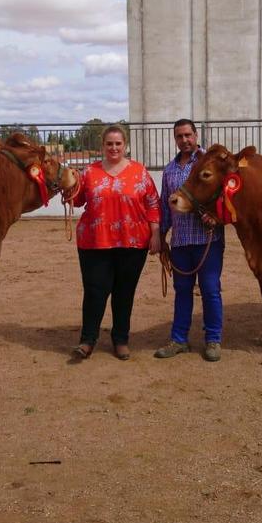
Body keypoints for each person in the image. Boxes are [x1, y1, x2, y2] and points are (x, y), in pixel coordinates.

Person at [69, 125, 161, 360]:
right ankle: (87, 340)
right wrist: (68, 183)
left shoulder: (139, 172)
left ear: (125, 145)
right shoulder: (89, 172)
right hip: (94, 242)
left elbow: (152, 204)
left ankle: (121, 339)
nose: (113, 148)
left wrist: (156, 234)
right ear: (102, 146)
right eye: (109, 143)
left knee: (124, 292)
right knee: (94, 292)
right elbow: (77, 200)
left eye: (118, 143)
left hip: (132, 242)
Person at [155, 119, 226, 362]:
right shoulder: (169, 171)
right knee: (182, 291)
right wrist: (161, 236)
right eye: (179, 136)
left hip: (208, 240)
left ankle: (213, 340)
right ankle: (179, 339)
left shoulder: (211, 163)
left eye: (188, 135)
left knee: (210, 290)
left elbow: (225, 199)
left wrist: (217, 217)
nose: (184, 140)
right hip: (181, 242)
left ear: (196, 135)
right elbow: (166, 204)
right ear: (175, 139)